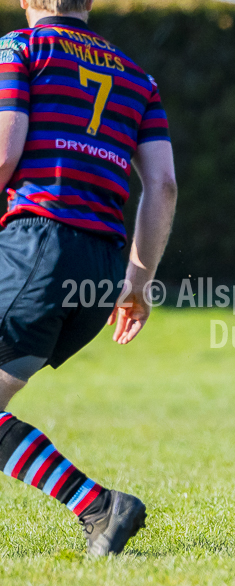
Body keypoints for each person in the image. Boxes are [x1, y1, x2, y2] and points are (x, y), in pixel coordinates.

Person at [0, 0, 177, 555]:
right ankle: (99, 508)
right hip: (99, 271)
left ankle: (99, 506)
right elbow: (163, 185)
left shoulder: (20, 48)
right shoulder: (137, 77)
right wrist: (139, 281)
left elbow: (5, 151)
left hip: (38, 246)